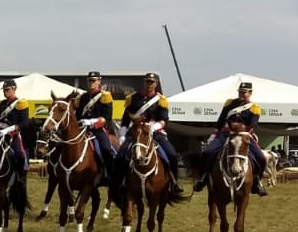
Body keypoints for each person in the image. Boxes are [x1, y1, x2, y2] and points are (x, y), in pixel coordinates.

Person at [111, 72, 186, 201]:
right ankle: (118, 184)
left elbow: (163, 120)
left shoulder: (160, 100)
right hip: (135, 133)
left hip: (154, 133)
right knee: (121, 156)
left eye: (152, 82)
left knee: (171, 154)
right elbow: (125, 119)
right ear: (144, 83)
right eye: (147, 82)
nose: (149, 84)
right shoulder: (133, 98)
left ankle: (173, 183)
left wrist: (152, 127)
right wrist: (122, 134)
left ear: (156, 84)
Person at [194, 80, 268, 197]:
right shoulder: (229, 104)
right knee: (208, 152)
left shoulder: (254, 108)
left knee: (261, 158)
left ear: (250, 93)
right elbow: (221, 120)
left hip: (244, 135)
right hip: (225, 133)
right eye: (240, 92)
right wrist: (214, 134)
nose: (242, 94)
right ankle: (203, 178)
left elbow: (253, 125)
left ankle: (257, 181)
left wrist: (245, 132)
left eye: (244, 92)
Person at [75, 70, 116, 176]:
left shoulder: (105, 96)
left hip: (97, 129)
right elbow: (78, 115)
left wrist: (92, 121)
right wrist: (80, 121)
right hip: (82, 129)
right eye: (89, 80)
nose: (91, 83)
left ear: (99, 82)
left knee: (106, 149)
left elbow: (107, 117)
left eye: (94, 80)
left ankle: (109, 174)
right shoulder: (82, 97)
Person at [0, 79, 30, 178]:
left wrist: (7, 130)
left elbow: (24, 123)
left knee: (20, 155)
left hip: (11, 135)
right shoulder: (0, 104)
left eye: (7, 89)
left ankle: (19, 177)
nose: (5, 92)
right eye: (4, 90)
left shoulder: (21, 103)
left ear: (14, 89)